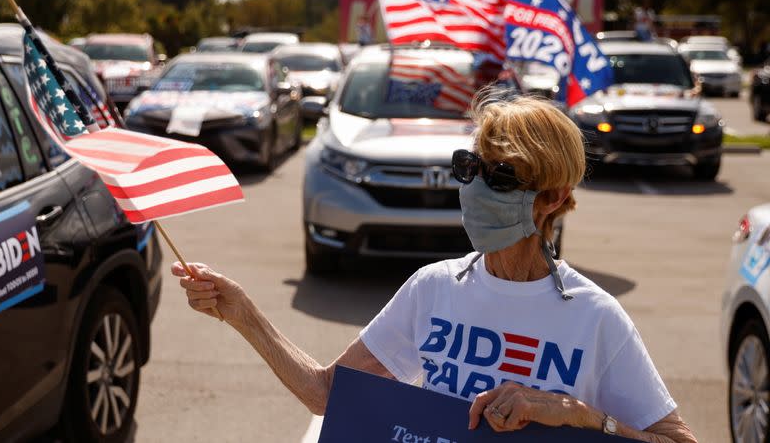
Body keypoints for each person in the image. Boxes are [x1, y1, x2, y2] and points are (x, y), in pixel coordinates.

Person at [174, 95, 697, 442]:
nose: (474, 187)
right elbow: (327, 394)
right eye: (470, 167)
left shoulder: (594, 317)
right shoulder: (434, 288)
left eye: (502, 175)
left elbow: (678, 440)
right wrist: (242, 313)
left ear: (554, 197)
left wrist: (582, 416)